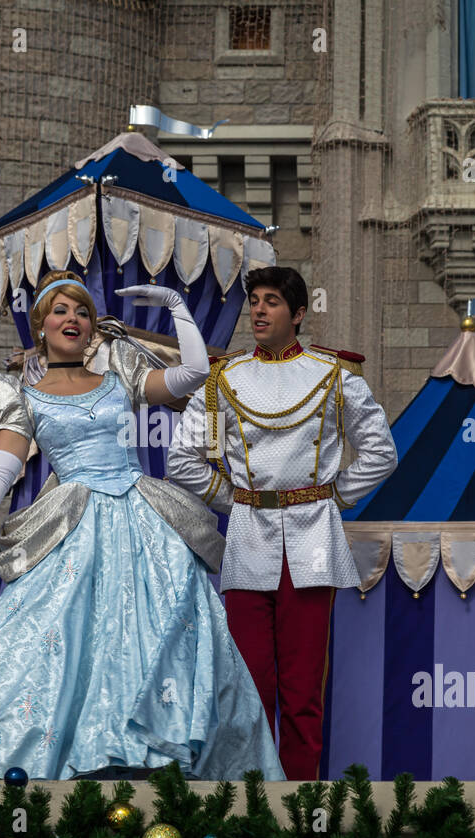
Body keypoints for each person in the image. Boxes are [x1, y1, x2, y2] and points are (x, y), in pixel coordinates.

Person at [0, 270, 284, 782]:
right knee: (53, 637)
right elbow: (2, 471)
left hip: (141, 516)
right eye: (60, 310)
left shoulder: (121, 371)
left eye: (82, 311)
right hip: (73, 520)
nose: (73, 319)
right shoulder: (19, 394)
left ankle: (153, 755)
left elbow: (193, 374)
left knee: (164, 628)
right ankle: (71, 759)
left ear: (91, 327)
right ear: (40, 325)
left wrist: (177, 304)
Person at [167, 266, 397, 780]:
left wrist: (332, 495)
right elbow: (182, 459)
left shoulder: (335, 375)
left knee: (301, 690)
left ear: (297, 314)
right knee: (246, 687)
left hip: (313, 544)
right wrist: (236, 500)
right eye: (254, 300)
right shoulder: (223, 378)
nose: (258, 310)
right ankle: (249, 799)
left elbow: (381, 452)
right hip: (248, 540)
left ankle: (300, 800)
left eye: (271, 301)